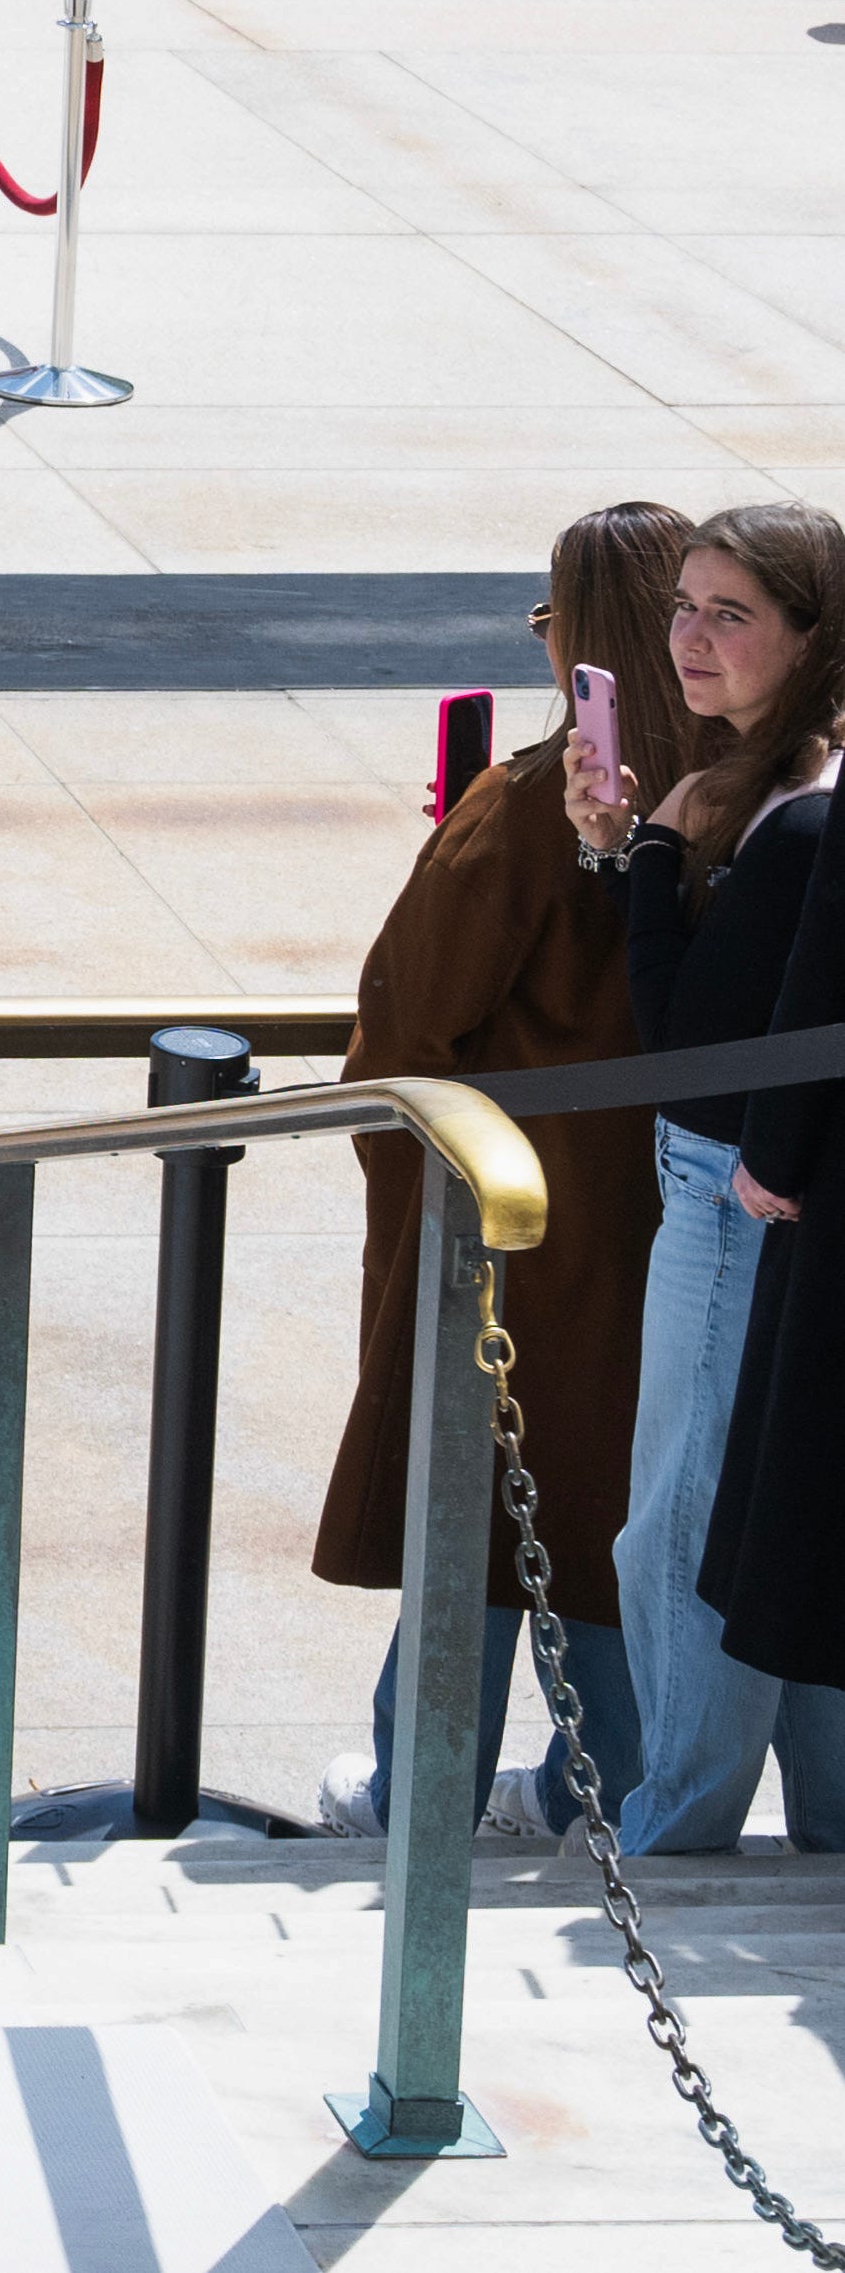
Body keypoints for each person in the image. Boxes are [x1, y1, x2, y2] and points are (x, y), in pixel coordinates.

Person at [311, 505, 686, 1848]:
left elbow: (401, 1030)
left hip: (513, 1220)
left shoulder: (531, 800)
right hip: (672, 1215)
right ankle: (613, 1796)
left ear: (577, 640)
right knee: (613, 1521)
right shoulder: (736, 793)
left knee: (474, 1514)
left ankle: (421, 1795)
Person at [566, 503, 845, 1857]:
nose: (688, 635)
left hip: (732, 1194)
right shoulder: (769, 782)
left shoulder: (791, 823)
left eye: (728, 612)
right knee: (770, 1509)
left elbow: (680, 1044)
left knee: (679, 1521)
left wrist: (653, 853)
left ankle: (671, 1825)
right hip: (750, 1188)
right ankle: (820, 1830)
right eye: (682, 603)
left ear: (809, 632)